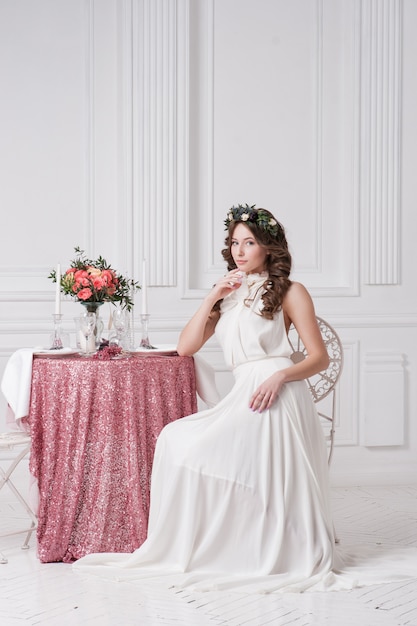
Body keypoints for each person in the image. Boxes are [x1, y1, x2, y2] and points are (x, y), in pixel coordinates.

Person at [74, 205, 417, 593]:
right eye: (234, 243)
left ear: (268, 247)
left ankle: (268, 547)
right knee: (175, 438)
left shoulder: (290, 291)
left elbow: (318, 357)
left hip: (278, 393)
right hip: (245, 393)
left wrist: (280, 375)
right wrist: (211, 298)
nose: (240, 251)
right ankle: (221, 544)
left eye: (249, 242)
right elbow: (186, 347)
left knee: (198, 446)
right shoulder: (230, 295)